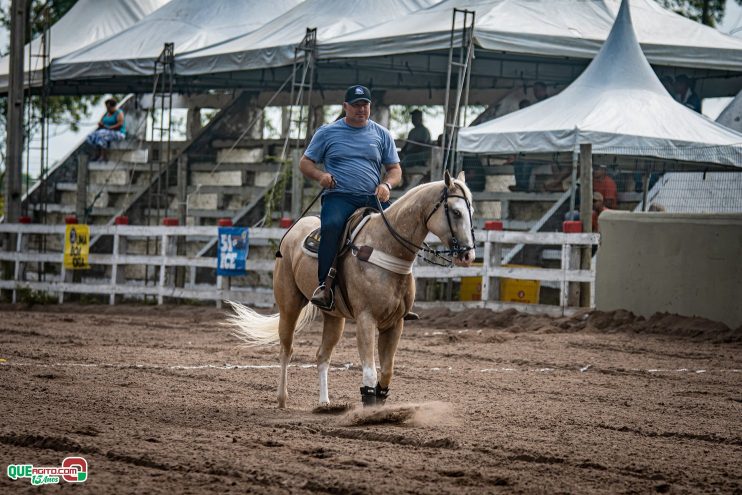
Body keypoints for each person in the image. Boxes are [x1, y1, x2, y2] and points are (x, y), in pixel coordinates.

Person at [300, 85, 402, 310]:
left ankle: (403, 291)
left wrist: (386, 184)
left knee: (398, 230)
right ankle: (324, 287)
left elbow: (395, 169)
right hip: (340, 196)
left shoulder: (381, 134)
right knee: (333, 226)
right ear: (345, 106)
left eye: (364, 104)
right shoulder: (327, 132)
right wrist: (321, 176)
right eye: (355, 105)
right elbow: (305, 163)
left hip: (372, 197)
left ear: (370, 106)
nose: (360, 109)